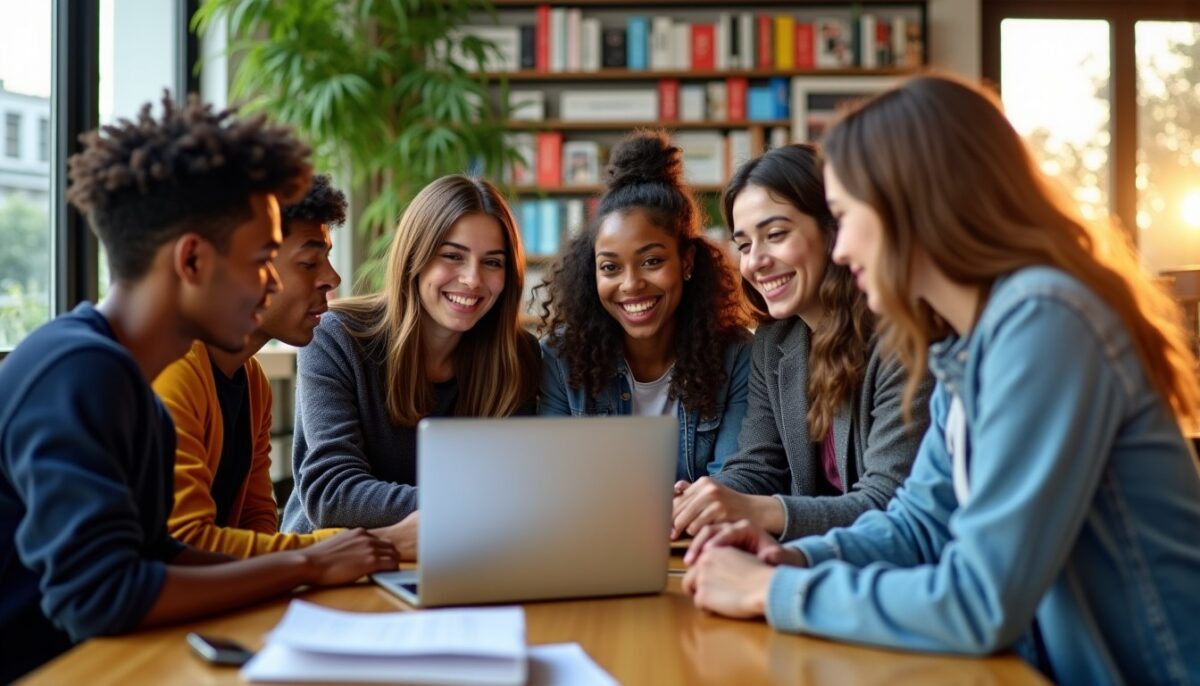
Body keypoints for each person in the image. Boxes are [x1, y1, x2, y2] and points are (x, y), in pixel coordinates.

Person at [682, 74, 1200, 684]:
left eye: (846, 218)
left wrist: (771, 593)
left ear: (912, 205)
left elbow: (980, 601)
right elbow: (919, 524)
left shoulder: (1045, 321)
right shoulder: (971, 340)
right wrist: (791, 556)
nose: (842, 249)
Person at [0, 95, 397, 682]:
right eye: (264, 259)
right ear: (192, 261)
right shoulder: (80, 371)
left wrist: (316, 563)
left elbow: (162, 557)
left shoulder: (127, 380)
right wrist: (308, 563)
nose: (269, 284)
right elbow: (101, 595)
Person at [671, 144, 929, 542]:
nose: (755, 262)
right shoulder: (775, 342)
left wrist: (758, 509)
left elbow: (889, 502)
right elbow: (760, 466)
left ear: (834, 231)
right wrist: (706, 497)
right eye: (743, 245)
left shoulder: (901, 339)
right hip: (819, 563)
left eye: (775, 235)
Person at [153, 174, 417, 558]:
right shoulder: (173, 370)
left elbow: (258, 522)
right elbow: (185, 544)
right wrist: (367, 544)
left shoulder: (251, 380)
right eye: (309, 262)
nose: (332, 278)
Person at [281, 175, 540, 536]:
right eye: (453, 256)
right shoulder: (336, 336)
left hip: (464, 555)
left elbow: (522, 492)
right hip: (335, 564)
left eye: (492, 263)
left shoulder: (519, 356)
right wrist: (471, 506)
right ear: (414, 257)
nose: (472, 279)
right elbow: (332, 495)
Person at [537, 130, 751, 482]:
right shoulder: (561, 358)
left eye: (651, 261)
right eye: (610, 267)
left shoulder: (736, 355)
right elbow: (554, 480)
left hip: (696, 536)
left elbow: (734, 480)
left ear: (686, 262)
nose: (631, 284)